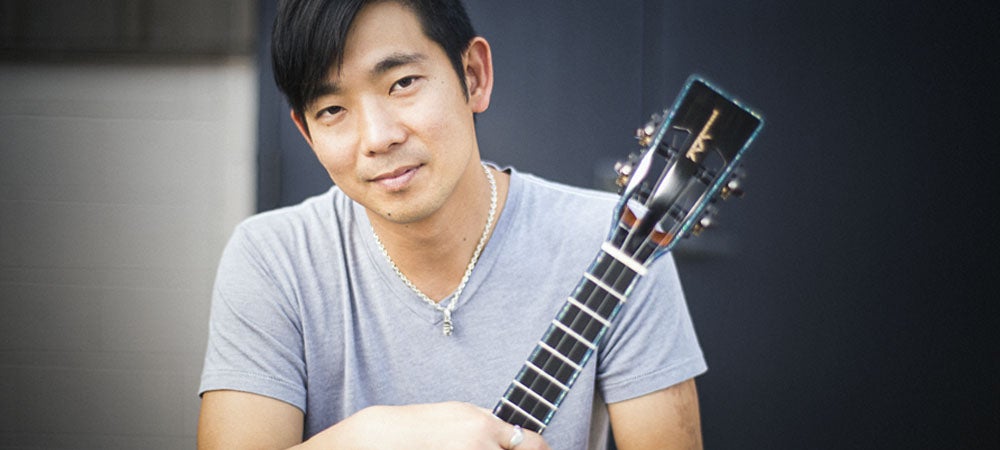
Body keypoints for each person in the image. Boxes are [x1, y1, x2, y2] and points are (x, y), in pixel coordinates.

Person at [197, 0, 707, 448]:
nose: (377, 137)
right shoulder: (271, 258)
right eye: (332, 109)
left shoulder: (616, 245)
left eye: (402, 83)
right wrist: (380, 437)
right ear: (308, 135)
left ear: (474, 76)